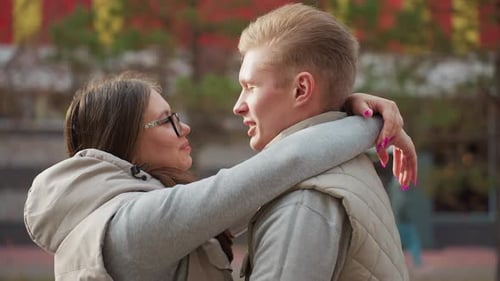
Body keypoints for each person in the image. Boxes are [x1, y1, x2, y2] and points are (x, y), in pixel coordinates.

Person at [23, 71, 414, 281]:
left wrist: (341, 108)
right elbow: (280, 168)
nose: (185, 127)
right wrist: (370, 123)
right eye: (168, 121)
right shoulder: (129, 228)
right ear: (125, 141)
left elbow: (259, 192)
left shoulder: (112, 222)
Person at [233, 3, 412, 281]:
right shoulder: (348, 165)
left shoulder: (303, 202)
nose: (238, 106)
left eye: (250, 87)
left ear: (301, 89)